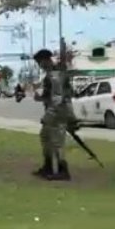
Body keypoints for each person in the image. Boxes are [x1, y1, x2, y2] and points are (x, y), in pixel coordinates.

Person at [32, 49, 75, 181]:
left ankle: (61, 170)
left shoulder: (56, 75)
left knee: (56, 142)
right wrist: (39, 97)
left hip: (59, 112)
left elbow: (58, 99)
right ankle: (49, 166)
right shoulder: (50, 75)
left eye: (41, 63)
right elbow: (48, 97)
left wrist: (48, 117)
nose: (40, 66)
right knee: (45, 138)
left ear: (46, 60)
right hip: (54, 111)